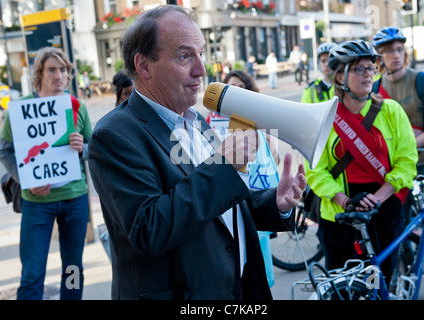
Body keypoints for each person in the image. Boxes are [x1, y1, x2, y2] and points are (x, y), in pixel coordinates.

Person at [87, 5, 306, 300]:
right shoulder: (114, 135)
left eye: (201, 54)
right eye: (184, 56)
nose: (201, 69)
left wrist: (274, 204)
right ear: (144, 66)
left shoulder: (194, 119)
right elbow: (149, 228)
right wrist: (224, 165)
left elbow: (220, 203)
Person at [305, 40, 418, 286]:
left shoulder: (391, 111)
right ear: (339, 76)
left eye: (371, 68)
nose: (368, 74)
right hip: (340, 214)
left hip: (384, 208)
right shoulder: (323, 117)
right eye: (359, 69)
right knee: (341, 286)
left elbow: (407, 162)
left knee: (381, 283)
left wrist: (377, 198)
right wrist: (343, 200)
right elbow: (315, 171)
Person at [0, 47, 92, 300]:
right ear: (39, 73)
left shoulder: (76, 107)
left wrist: (81, 148)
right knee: (32, 273)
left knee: (73, 270)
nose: (58, 75)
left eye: (63, 70)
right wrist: (26, 181)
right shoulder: (19, 109)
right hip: (37, 203)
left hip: (75, 200)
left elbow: (95, 150)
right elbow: (5, 151)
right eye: (52, 69)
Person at [372, 26, 424, 245]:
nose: (395, 55)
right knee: (398, 226)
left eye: (399, 49)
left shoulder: (423, 82)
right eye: (388, 51)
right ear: (379, 57)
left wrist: (405, 148)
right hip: (395, 169)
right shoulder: (375, 88)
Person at [220, 70, 280, 288]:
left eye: (241, 87)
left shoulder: (260, 121)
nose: (236, 92)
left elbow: (274, 160)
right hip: (229, 203)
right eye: (230, 88)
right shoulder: (214, 123)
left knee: (261, 276)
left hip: (257, 202)